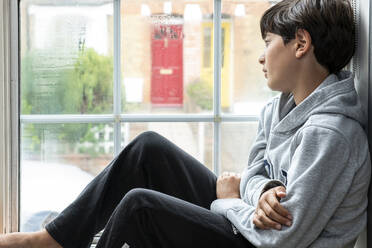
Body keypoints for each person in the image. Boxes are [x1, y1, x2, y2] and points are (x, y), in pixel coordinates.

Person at [0, 0, 370, 247]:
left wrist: (227, 203)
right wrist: (260, 190)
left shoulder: (332, 134)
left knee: (139, 207)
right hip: (249, 225)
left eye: (269, 41)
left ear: (301, 43)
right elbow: (252, 176)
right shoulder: (277, 108)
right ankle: (53, 239)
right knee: (148, 148)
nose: (261, 56)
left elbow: (284, 239)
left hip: (264, 243)